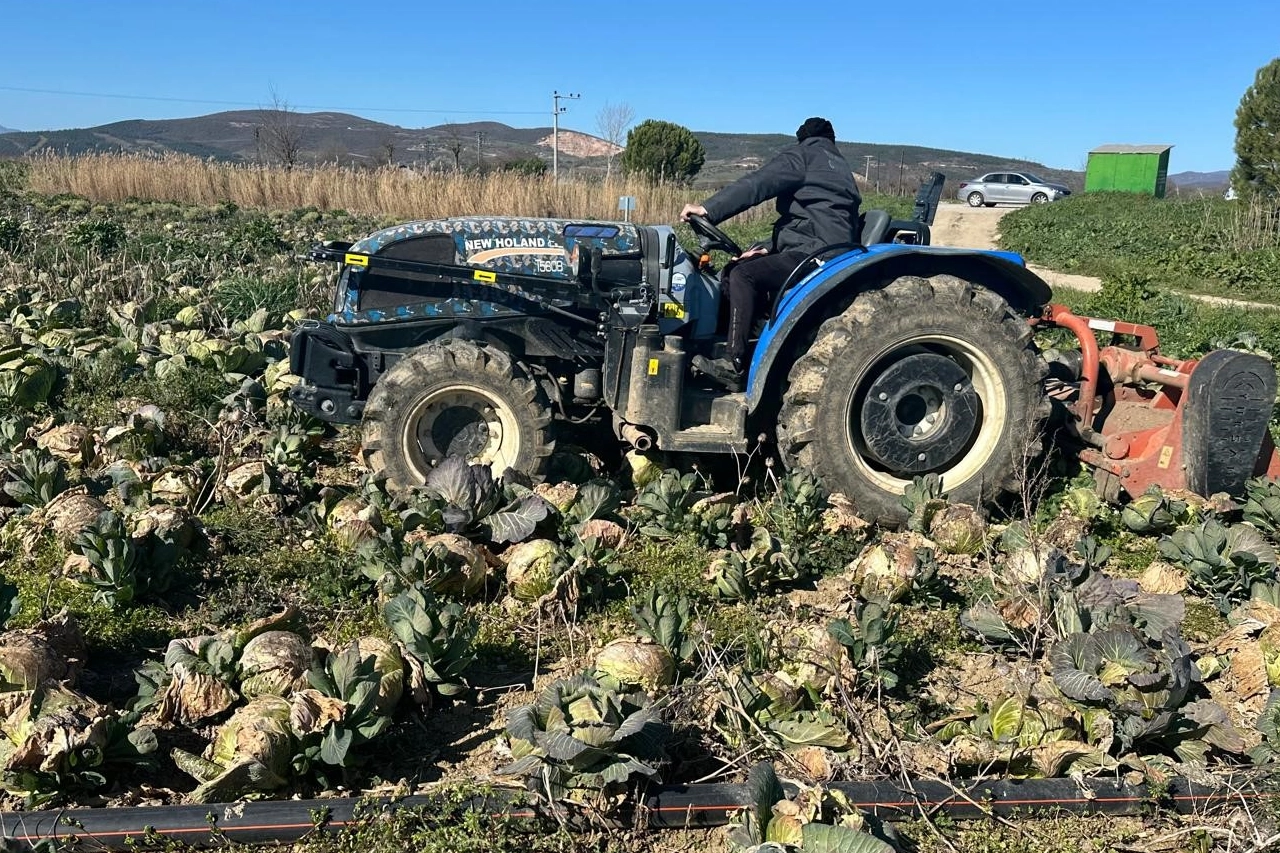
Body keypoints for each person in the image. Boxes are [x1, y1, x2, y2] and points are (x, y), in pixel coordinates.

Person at [679, 117, 861, 390]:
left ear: (802, 138)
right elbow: (813, 219)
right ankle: (748, 346)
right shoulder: (840, 167)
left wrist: (708, 209)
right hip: (829, 250)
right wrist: (767, 246)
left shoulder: (804, 156)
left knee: (742, 276)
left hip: (815, 254)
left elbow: (756, 184)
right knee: (734, 269)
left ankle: (734, 364)